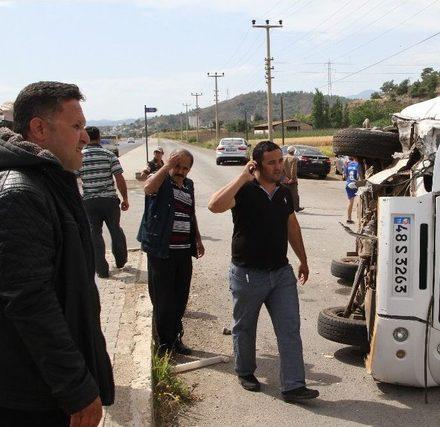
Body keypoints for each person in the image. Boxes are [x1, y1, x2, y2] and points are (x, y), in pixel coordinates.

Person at [0, 81, 114, 426]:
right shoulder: (20, 193)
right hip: (33, 397)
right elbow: (31, 303)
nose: (85, 137)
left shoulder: (50, 180)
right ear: (39, 128)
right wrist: (76, 389)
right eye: (76, 126)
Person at [208, 140, 319, 403]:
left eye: (280, 161)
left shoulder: (283, 193)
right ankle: (245, 371)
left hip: (281, 273)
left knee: (289, 329)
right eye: (272, 162)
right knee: (245, 328)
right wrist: (241, 177)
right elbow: (214, 205)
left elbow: (292, 225)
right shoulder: (244, 191)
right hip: (247, 275)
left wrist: (303, 259)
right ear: (256, 165)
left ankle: (293, 385)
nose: (279, 166)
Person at [137, 148, 205, 355]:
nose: (180, 171)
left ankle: (175, 338)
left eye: (185, 168)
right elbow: (148, 188)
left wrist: (198, 238)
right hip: (161, 251)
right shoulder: (160, 179)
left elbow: (190, 213)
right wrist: (166, 166)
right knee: (162, 299)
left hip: (183, 251)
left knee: (180, 298)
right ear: (170, 163)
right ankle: (164, 344)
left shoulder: (188, 185)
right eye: (177, 165)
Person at [78, 126, 129, 278]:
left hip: (89, 202)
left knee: (94, 233)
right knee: (115, 229)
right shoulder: (108, 155)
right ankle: (120, 261)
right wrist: (125, 198)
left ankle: (101, 269)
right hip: (109, 201)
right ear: (99, 138)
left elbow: (73, 179)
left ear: (86, 138)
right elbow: (119, 178)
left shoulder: (80, 156)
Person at [282, 145, 303, 212]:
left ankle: (285, 207)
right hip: (292, 181)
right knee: (294, 195)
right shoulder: (294, 158)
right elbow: (293, 169)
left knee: (285, 194)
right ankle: (296, 208)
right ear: (293, 151)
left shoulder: (283, 158)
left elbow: (281, 169)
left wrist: (284, 177)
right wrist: (293, 178)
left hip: (284, 180)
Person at [345, 156, 362, 224]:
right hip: (355, 184)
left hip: (348, 184)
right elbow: (360, 175)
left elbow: (346, 175)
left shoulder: (348, 164)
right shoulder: (358, 164)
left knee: (350, 202)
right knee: (359, 201)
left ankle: (349, 218)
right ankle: (360, 219)